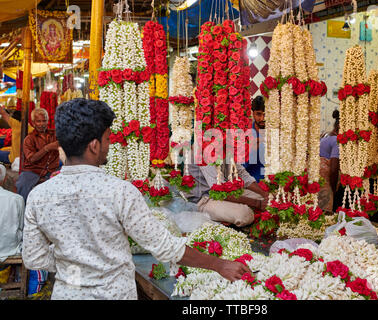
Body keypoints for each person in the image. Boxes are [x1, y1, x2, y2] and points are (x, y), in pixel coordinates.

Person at [22, 98, 250, 300]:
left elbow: (33, 259)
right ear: (93, 145)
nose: (109, 146)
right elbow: (165, 247)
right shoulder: (119, 192)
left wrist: (70, 257)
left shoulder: (39, 196)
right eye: (108, 139)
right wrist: (219, 264)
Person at [187, 159, 269, 227]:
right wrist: (258, 203)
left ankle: (229, 214)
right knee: (244, 215)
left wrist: (265, 194)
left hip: (225, 192)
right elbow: (220, 191)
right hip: (204, 200)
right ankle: (220, 216)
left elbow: (242, 175)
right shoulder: (204, 153)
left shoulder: (225, 147)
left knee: (265, 199)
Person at [15, 108, 59, 203]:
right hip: (33, 171)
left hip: (52, 170)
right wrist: (47, 148)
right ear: (33, 123)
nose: (41, 124)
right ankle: (23, 211)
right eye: (38, 121)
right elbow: (32, 159)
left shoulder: (55, 134)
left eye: (44, 121)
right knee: (22, 185)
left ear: (47, 121)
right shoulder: (29, 139)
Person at [0, 164, 25, 262]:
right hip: (10, 250)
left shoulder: (16, 199)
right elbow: (22, 227)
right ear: (5, 179)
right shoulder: (17, 199)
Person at [318, 110, 340, 213]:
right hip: (325, 183)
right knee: (325, 213)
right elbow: (334, 169)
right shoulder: (336, 140)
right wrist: (334, 189)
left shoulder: (326, 136)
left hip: (316, 181)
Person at [242, 95, 265, 182]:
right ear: (253, 113)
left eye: (265, 115)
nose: (262, 118)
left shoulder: (276, 131)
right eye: (258, 114)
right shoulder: (246, 133)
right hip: (253, 186)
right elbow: (241, 167)